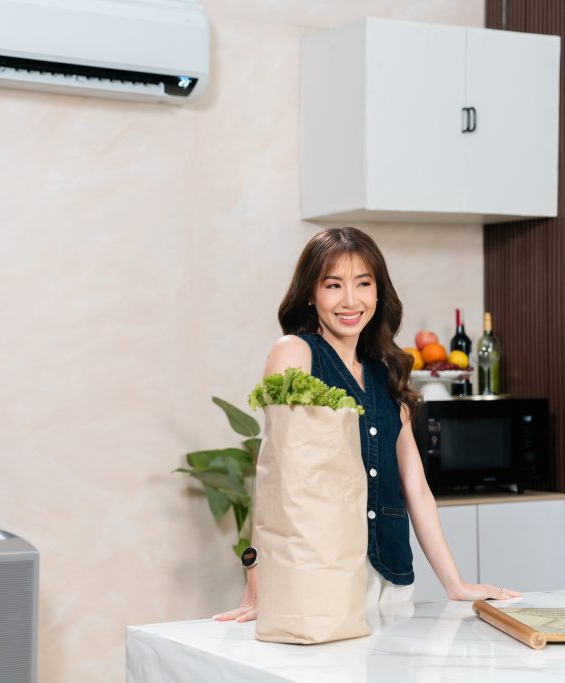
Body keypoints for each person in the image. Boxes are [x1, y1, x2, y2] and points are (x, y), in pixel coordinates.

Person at [215, 227, 520, 622]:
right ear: (311, 293)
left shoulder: (388, 370)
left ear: (378, 292)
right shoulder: (295, 354)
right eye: (333, 285)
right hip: (321, 570)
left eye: (363, 283)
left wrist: (455, 584)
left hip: (393, 576)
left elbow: (416, 488)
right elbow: (276, 476)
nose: (350, 300)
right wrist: (257, 577)